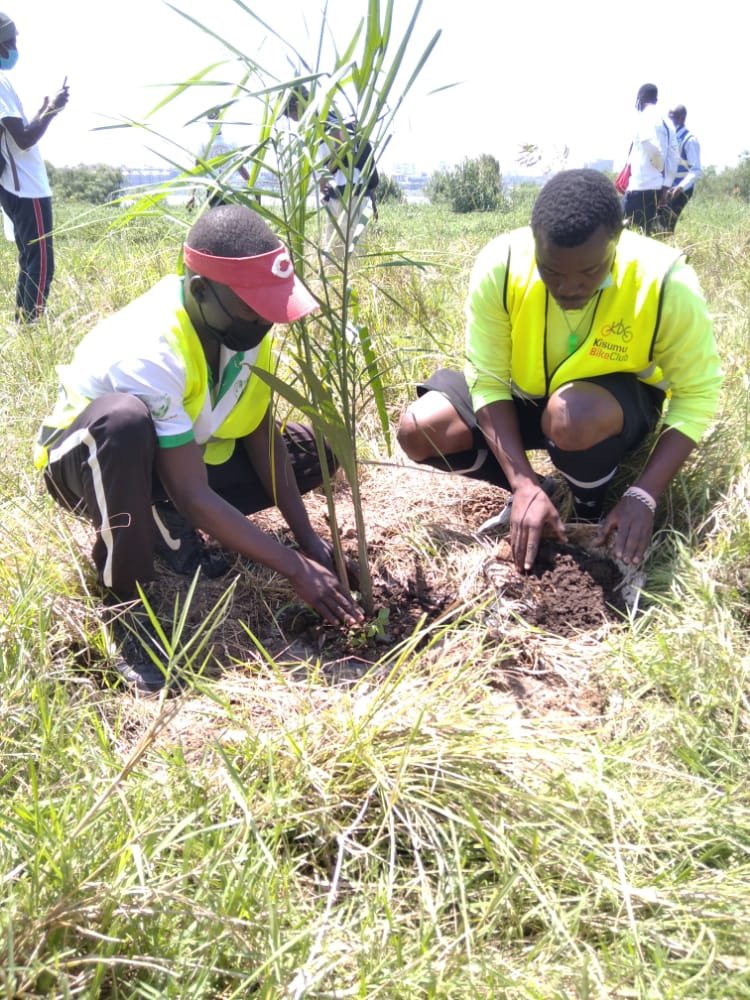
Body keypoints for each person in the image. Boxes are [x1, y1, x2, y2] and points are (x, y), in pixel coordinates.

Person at [35, 204, 363, 694]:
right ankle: (127, 605)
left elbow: (260, 433)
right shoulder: (149, 346)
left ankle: (162, 517)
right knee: (125, 423)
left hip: (179, 455)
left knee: (318, 446)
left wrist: (308, 540)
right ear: (201, 291)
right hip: (88, 460)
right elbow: (192, 491)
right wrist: (294, 569)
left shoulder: (240, 326)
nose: (266, 321)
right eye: (255, 307)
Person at [397, 168, 722, 577]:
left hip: (606, 408)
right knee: (420, 427)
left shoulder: (666, 281)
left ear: (617, 241)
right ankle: (538, 493)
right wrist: (523, 482)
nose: (570, 288)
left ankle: (586, 519)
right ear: (534, 243)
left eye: (590, 272)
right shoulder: (501, 266)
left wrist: (645, 494)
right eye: (552, 271)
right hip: (526, 394)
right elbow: (489, 380)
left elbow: (698, 393)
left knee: (570, 414)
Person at [0, 11, 69, 321]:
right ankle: (31, 324)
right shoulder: (0, 84)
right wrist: (52, 111)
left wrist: (42, 110)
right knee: (41, 261)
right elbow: (24, 139)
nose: (16, 48)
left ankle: (22, 319)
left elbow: (16, 134)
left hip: (17, 185)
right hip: (25, 187)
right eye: (11, 42)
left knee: (31, 258)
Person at [622, 83, 677, 236]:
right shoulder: (668, 123)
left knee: (622, 234)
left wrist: (658, 165)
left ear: (641, 97)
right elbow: (674, 158)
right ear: (656, 99)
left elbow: (649, 143)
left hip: (640, 187)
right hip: (657, 188)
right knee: (644, 234)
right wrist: (665, 188)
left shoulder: (645, 117)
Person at [188, 107, 250, 210]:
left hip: (229, 189)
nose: (215, 121)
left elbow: (240, 167)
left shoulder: (231, 142)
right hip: (214, 190)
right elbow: (197, 170)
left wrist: (252, 186)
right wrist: (192, 195)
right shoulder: (204, 144)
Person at [658, 105, 702, 233]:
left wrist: (681, 187)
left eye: (673, 116)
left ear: (681, 118)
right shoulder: (670, 136)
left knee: (665, 225)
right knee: (657, 222)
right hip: (666, 188)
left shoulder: (690, 140)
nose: (670, 119)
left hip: (680, 190)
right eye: (669, 116)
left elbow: (696, 170)